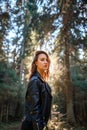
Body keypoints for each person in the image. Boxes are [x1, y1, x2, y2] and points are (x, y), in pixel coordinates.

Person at [21, 50, 52, 130]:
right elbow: (34, 110)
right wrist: (38, 128)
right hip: (32, 126)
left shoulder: (43, 82)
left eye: (47, 60)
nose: (45, 62)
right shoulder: (35, 81)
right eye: (42, 60)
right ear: (36, 63)